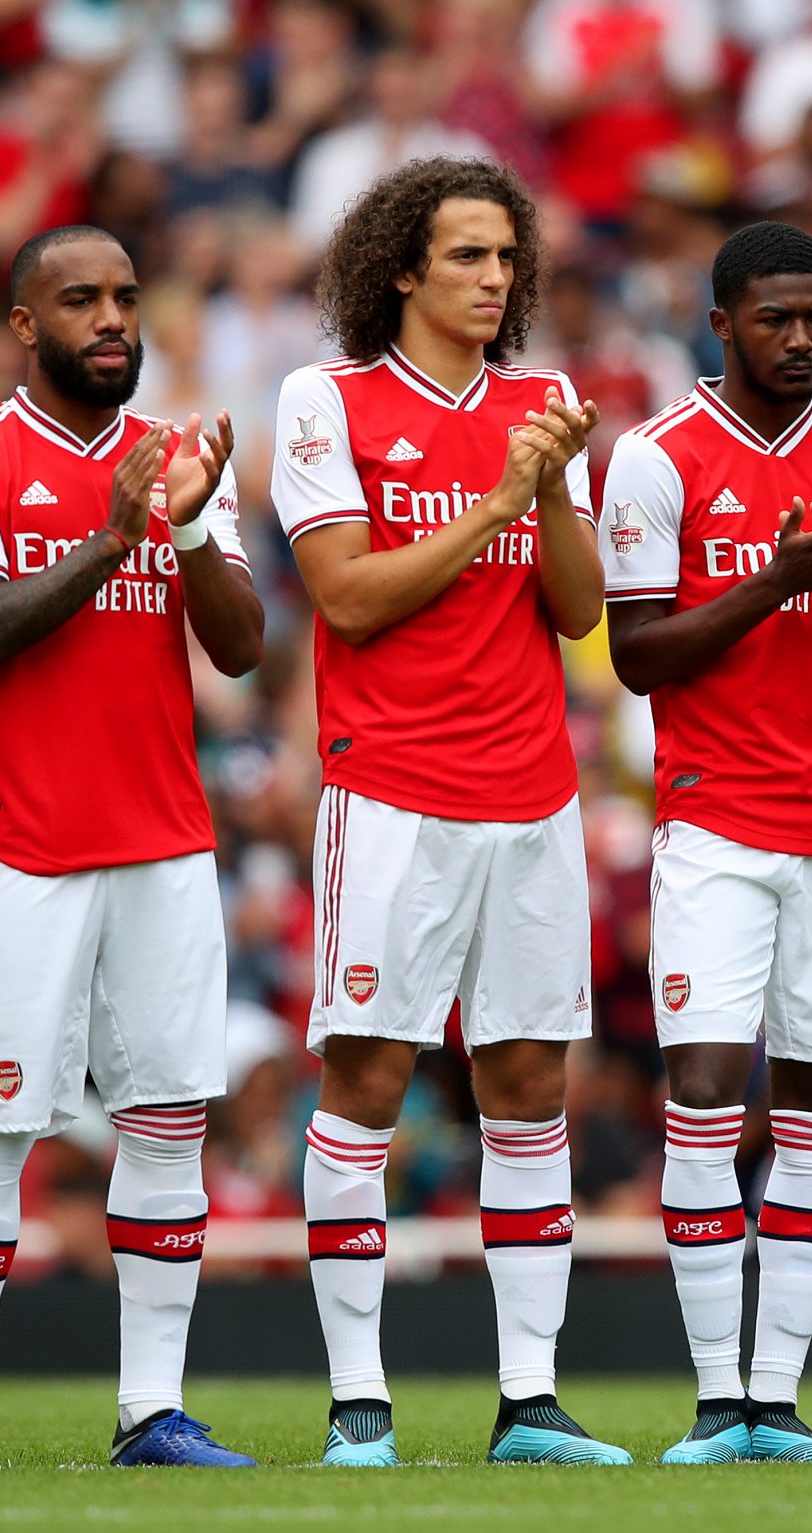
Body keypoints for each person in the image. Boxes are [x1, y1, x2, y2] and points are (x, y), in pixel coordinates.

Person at [269, 157, 624, 1467]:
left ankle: (529, 1397)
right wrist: (495, 499)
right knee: (367, 1076)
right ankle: (359, 1397)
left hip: (529, 788)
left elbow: (579, 610)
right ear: (403, 269)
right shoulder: (327, 398)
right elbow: (350, 597)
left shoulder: (544, 406)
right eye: (468, 255)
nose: (494, 279)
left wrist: (547, 490)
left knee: (531, 1083)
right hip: (394, 790)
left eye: (506, 258)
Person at [0, 226, 264, 1470]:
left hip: (166, 843)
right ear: (22, 323)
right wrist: (114, 538)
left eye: (123, 296)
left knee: (167, 1121)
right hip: (30, 849)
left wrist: (198, 529)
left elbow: (242, 647)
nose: (112, 318)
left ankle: (150, 1409)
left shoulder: (171, 458)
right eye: (80, 300)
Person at [602, 221, 812, 1464]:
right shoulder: (653, 459)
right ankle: (711, 1403)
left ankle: (777, 1403)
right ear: (721, 322)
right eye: (773, 318)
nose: (799, 338)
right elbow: (638, 656)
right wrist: (778, 579)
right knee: (699, 1094)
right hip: (714, 824)